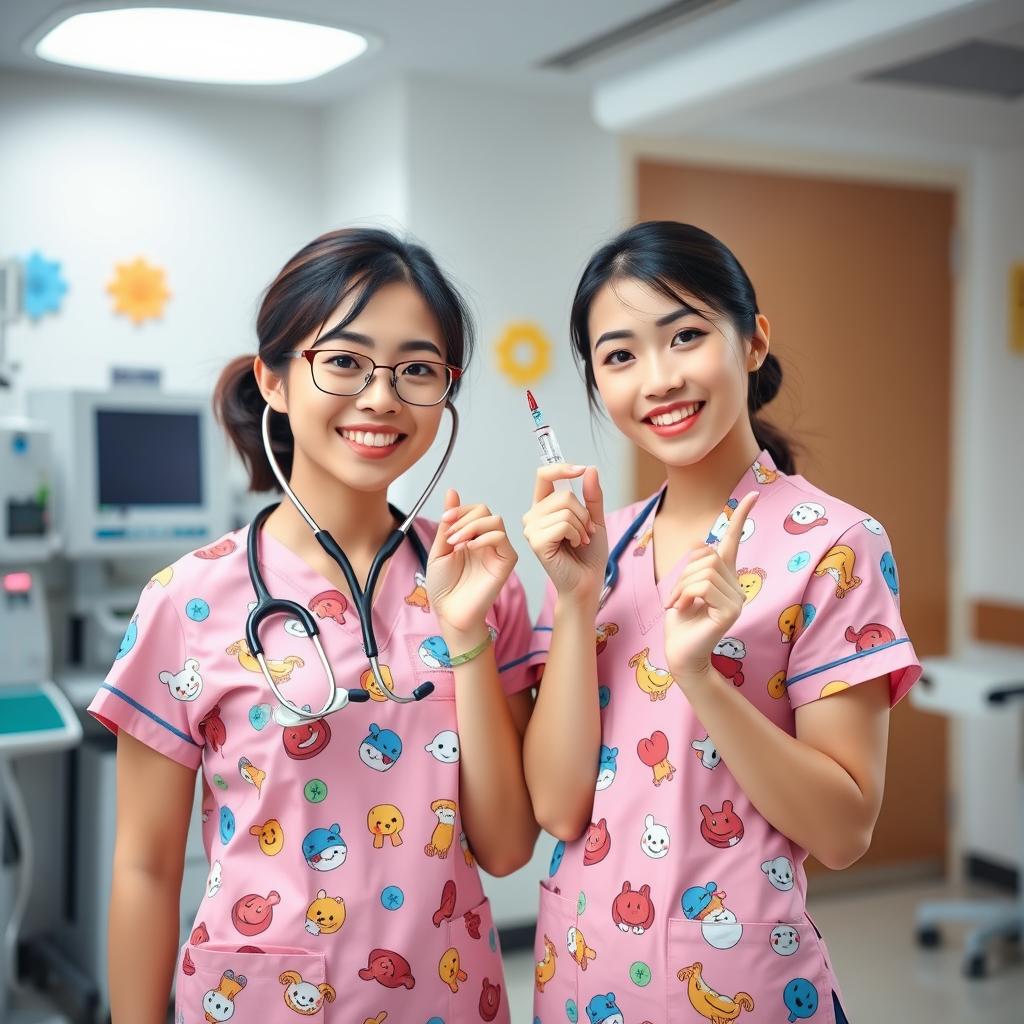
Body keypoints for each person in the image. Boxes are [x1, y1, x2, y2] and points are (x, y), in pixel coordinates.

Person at [90, 227, 537, 1023]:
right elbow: (146, 867)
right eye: (344, 360)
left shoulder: (481, 584)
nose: (381, 396)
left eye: (418, 370)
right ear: (274, 379)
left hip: (449, 1000)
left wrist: (466, 638)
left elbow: (505, 848)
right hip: (260, 1001)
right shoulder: (188, 601)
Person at [522, 221, 920, 1023]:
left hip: (745, 989)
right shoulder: (597, 551)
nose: (659, 378)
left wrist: (701, 676)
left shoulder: (833, 545)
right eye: (621, 356)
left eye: (686, 335)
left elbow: (844, 833)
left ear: (752, 341)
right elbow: (560, 810)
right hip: (583, 985)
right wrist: (572, 601)